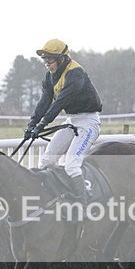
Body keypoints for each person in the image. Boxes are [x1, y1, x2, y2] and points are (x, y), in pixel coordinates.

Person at [25, 39, 103, 201]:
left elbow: (60, 102)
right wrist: (32, 124)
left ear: (62, 59)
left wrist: (42, 125)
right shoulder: (50, 76)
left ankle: (83, 203)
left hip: (89, 122)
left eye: (50, 59)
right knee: (46, 161)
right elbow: (44, 102)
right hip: (72, 121)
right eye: (44, 59)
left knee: (72, 165)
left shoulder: (76, 73)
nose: (47, 63)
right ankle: (52, 199)